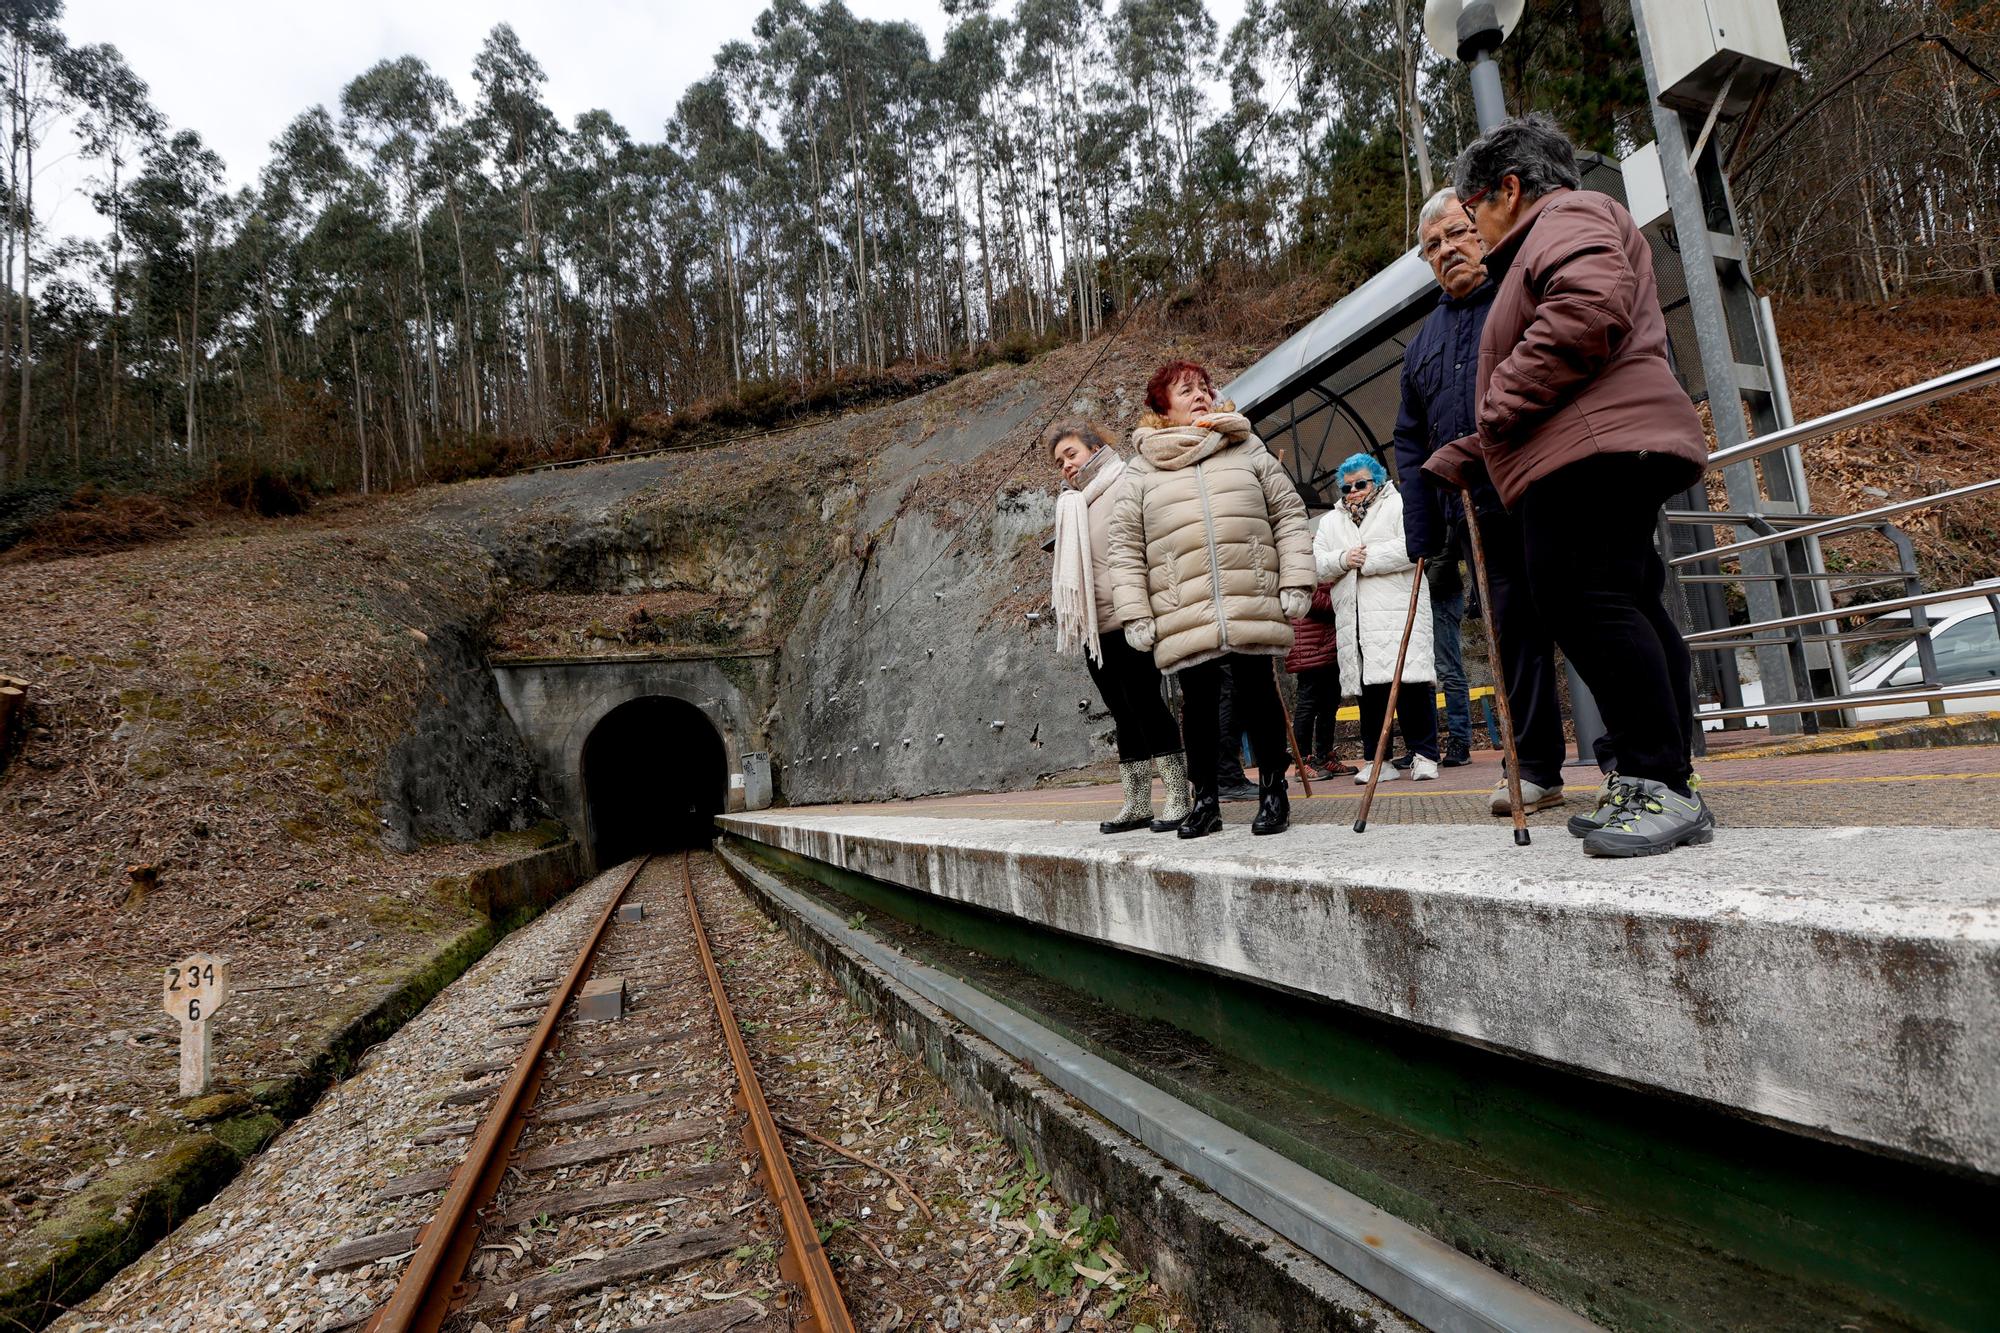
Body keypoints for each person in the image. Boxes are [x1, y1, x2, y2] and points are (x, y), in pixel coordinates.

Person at [1426, 113, 1712, 857]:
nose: (1474, 228)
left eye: (1474, 210)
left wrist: (1490, 412)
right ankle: (1658, 776)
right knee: (1623, 597)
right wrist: (1477, 443)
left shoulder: (1567, 215)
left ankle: (1657, 778)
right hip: (1598, 440)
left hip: (1593, 450)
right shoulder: (1556, 228)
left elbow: (1586, 310)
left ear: (1510, 190)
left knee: (1586, 597)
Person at [1393, 187, 1567, 813]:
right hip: (1478, 514)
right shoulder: (1421, 344)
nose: (1448, 251)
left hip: (1549, 489)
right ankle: (1535, 768)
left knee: (1583, 616)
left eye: (1457, 234)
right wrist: (1422, 532)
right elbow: (1409, 442)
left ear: (1481, 229)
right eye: (1432, 246)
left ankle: (1636, 762)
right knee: (1512, 637)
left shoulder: (1525, 292)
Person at [1109, 360, 1315, 838]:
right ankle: (1205, 801)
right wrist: (1136, 612)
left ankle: (1273, 792)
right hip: (1183, 602)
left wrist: (1297, 579)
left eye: (1204, 387)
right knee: (1197, 703)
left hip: (1251, 590)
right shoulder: (1141, 469)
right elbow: (1124, 546)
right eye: (1186, 391)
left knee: (1259, 692)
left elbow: (1288, 511)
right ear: (1162, 406)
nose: (1200, 395)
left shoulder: (1245, 444)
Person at [1047, 419, 1191, 835]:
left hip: (1131, 613)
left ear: (1095, 448)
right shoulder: (1072, 503)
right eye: (1059, 461)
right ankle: (1138, 802)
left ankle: (1179, 795)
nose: (1066, 466)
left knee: (1146, 703)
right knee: (1123, 713)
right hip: (1096, 625)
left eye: (1071, 453)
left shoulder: (1125, 480)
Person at [1315, 453, 1440, 783]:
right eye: (1347, 486)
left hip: (1397, 611)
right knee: (1368, 693)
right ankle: (1377, 759)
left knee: (1410, 684)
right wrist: (1344, 558)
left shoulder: (1399, 505)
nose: (1353, 491)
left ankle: (1425, 754)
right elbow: (1317, 564)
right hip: (1355, 618)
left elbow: (1412, 547)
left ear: (1377, 480)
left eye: (1360, 483)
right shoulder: (1330, 522)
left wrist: (1364, 559)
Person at [1285, 576, 1355, 778]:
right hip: (1309, 640)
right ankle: (1303, 761)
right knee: (1308, 703)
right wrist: (1342, 604)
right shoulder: (1302, 549)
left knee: (1329, 702)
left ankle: (1325, 756)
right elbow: (1304, 594)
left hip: (1328, 639)